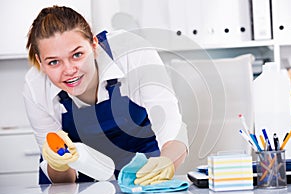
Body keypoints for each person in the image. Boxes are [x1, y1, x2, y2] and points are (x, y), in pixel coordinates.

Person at [23, 5, 188, 184]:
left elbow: (170, 124)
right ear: (40, 61)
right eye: (54, 62)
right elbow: (64, 182)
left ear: (94, 45)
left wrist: (167, 161)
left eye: (77, 55)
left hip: (143, 165)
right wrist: (59, 164)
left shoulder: (133, 53)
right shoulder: (36, 87)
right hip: (82, 171)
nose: (69, 70)